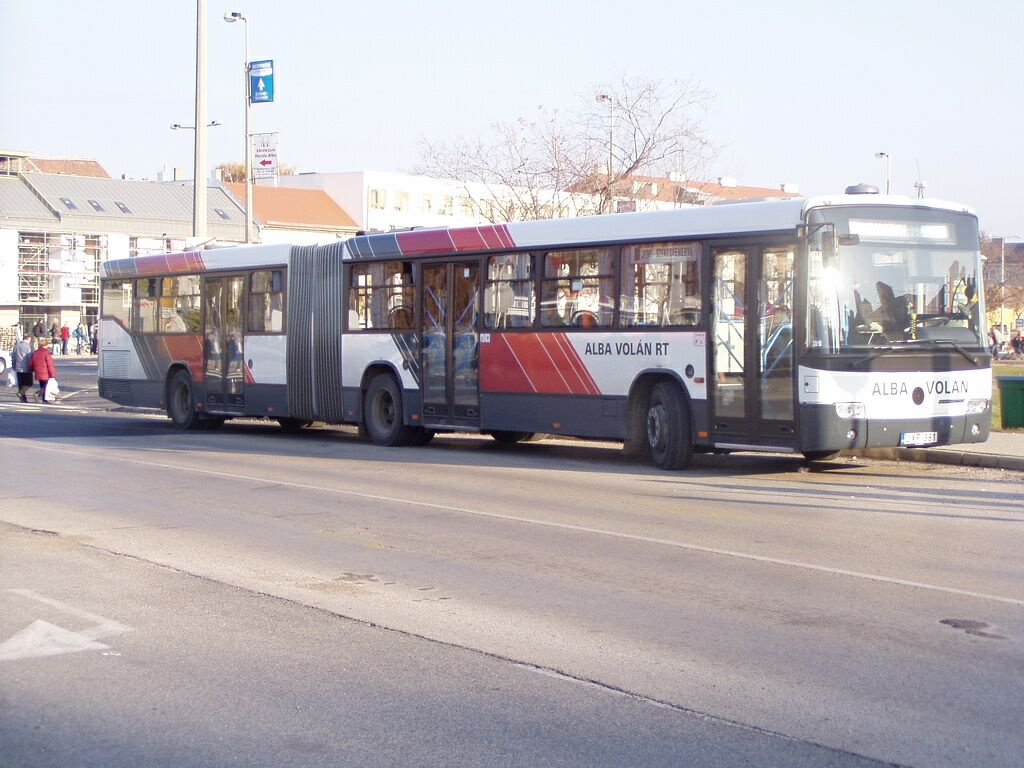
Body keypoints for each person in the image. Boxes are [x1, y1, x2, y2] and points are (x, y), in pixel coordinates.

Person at [30, 337, 57, 403]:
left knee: (42, 385)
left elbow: (31, 363)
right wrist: (52, 374)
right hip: (45, 372)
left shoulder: (35, 352)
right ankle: (40, 395)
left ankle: (44, 399)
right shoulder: (46, 353)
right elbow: (50, 364)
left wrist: (32, 369)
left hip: (38, 371)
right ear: (45, 345)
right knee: (45, 386)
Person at [11, 333, 34, 403]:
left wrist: (14, 366)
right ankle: (21, 393)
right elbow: (30, 357)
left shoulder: (17, 346)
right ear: (28, 338)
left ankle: (23, 398)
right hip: (26, 367)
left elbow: (13, 356)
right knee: (29, 382)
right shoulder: (29, 346)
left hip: (18, 367)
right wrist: (32, 367)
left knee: (21, 383)